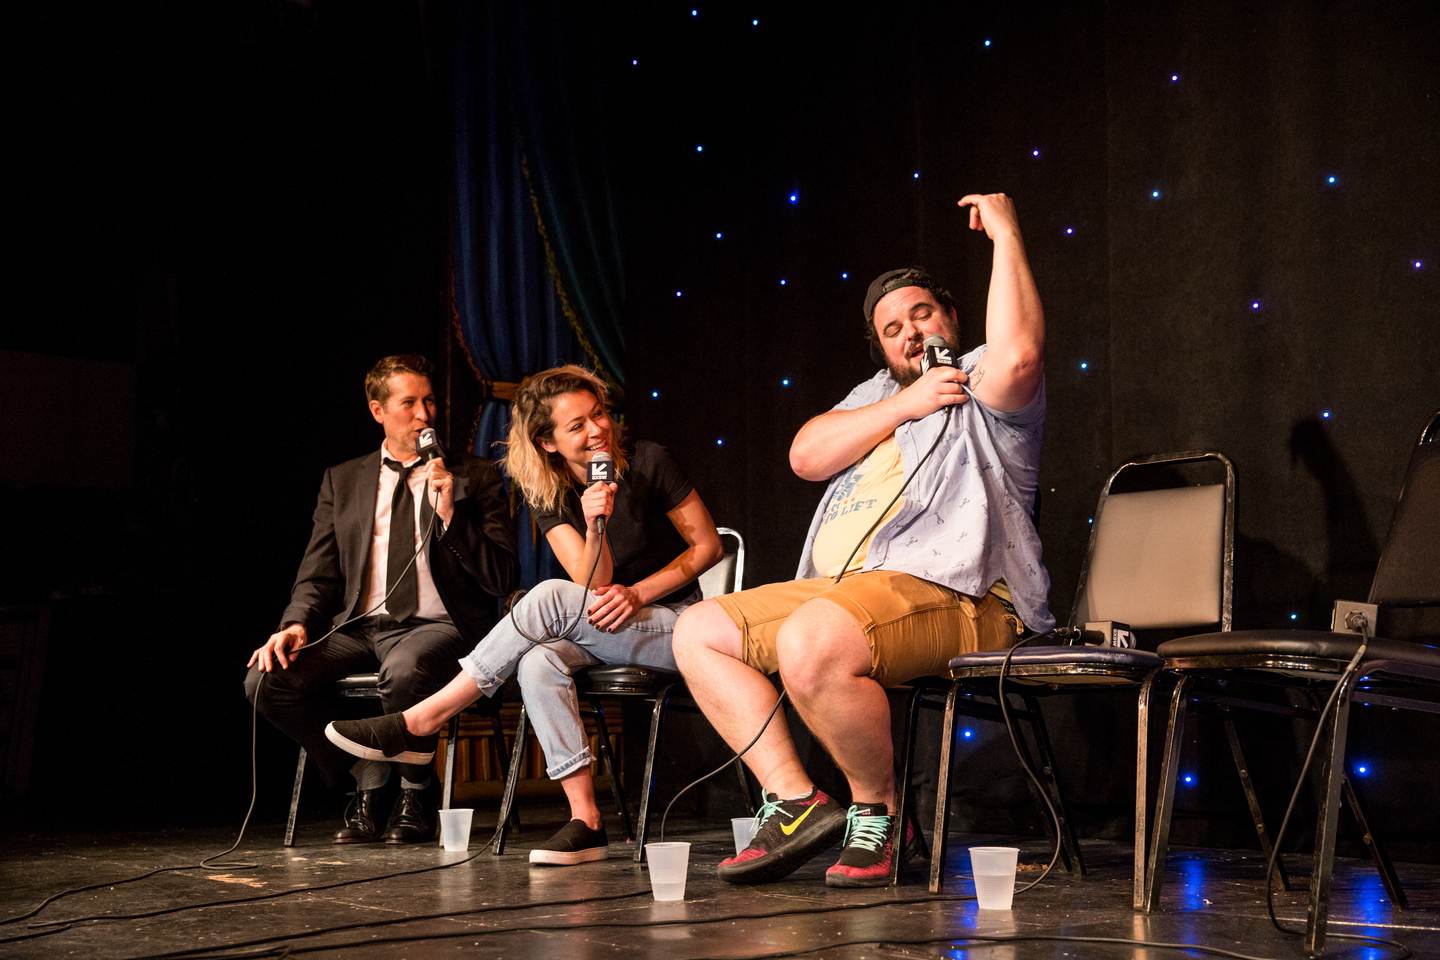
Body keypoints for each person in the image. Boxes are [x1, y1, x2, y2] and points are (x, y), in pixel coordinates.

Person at [671, 192, 1054, 888]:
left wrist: (1004, 232)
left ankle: (877, 813)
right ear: (879, 347)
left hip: (967, 596)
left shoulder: (981, 382)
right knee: (699, 630)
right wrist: (904, 402)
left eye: (922, 315)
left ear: (951, 320)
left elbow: (1023, 353)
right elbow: (806, 454)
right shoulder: (878, 396)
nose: (909, 332)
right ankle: (795, 800)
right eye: (891, 327)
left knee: (810, 639)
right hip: (852, 594)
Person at [326, 365, 724, 865]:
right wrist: (594, 521)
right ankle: (587, 822)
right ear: (549, 442)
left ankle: (425, 717)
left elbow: (707, 547)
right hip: (606, 621)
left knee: (550, 597)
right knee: (539, 661)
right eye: (577, 425)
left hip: (680, 625)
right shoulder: (549, 489)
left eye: (598, 414)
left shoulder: (649, 460)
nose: (597, 429)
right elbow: (593, 585)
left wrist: (640, 593)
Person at [245, 354, 519, 844]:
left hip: (439, 625)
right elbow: (319, 571)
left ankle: (414, 794)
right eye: (408, 403)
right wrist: (295, 622)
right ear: (377, 410)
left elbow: (502, 576)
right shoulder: (343, 479)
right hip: (359, 627)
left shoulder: (474, 475)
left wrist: (453, 515)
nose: (424, 415)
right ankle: (367, 780)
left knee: (406, 671)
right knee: (267, 682)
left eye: (429, 401)